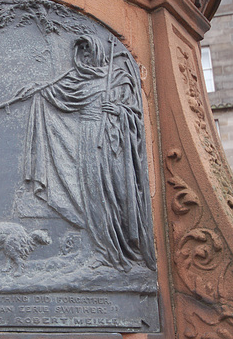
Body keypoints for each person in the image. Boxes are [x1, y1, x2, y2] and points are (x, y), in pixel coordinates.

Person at [20, 35, 156, 273]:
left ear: (97, 52)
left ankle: (118, 249)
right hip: (86, 137)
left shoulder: (117, 79)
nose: (84, 54)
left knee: (112, 194)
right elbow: (57, 94)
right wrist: (37, 91)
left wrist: (119, 111)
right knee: (91, 193)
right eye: (80, 50)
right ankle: (101, 250)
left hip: (109, 142)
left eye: (88, 49)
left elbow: (135, 116)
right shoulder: (75, 79)